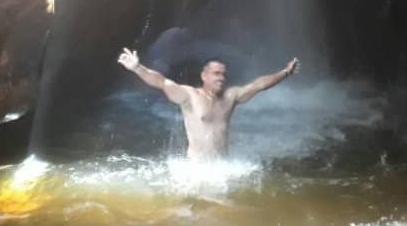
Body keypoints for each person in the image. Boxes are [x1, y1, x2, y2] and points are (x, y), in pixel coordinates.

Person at [117, 48, 299, 159]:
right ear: (204, 76)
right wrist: (137, 68)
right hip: (197, 170)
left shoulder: (231, 97)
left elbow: (259, 85)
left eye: (223, 74)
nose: (221, 77)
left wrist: (285, 72)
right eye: (216, 73)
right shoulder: (189, 95)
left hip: (222, 169)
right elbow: (162, 82)